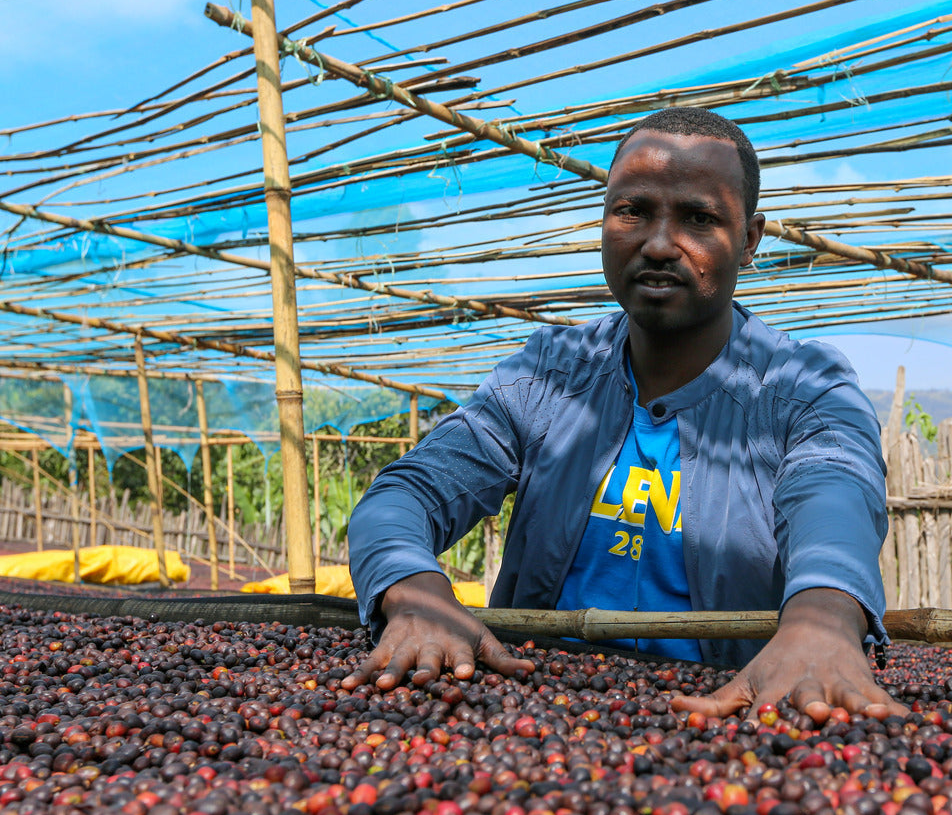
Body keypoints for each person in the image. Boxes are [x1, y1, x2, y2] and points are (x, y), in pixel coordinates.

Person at [348, 107, 905, 721]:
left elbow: (837, 492)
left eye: (698, 218)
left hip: (724, 717)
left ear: (749, 240)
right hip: (532, 715)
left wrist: (823, 620)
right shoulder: (546, 376)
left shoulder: (802, 387)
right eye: (633, 211)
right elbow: (406, 495)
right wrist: (414, 589)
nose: (660, 244)